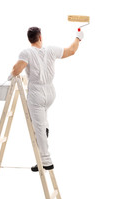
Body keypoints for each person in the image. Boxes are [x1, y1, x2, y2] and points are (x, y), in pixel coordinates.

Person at [9, 27, 83, 172]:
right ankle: (45, 130)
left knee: (38, 128)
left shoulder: (26, 52)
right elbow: (71, 51)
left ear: (29, 39)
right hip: (50, 92)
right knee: (43, 121)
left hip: (36, 93)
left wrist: (10, 75)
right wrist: (78, 37)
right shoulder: (51, 50)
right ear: (40, 37)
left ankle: (45, 160)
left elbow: (17, 69)